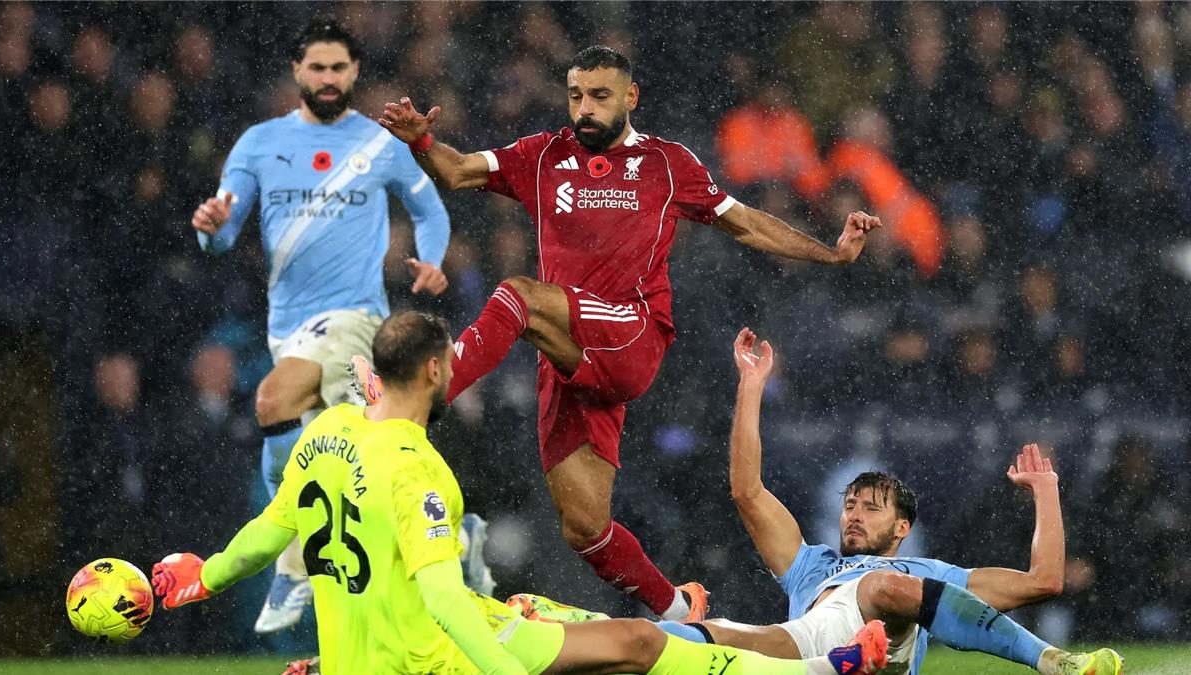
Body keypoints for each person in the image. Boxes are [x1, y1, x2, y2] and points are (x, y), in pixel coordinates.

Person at [375, 44, 881, 622]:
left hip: (631, 334)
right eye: (575, 96)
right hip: (568, 355)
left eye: (599, 96)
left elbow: (745, 223)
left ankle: (420, 396)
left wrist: (830, 254)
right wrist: (420, 140)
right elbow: (457, 169)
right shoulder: (542, 156)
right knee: (585, 528)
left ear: (630, 97)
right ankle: (679, 609)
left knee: (517, 295)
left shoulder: (666, 163)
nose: (584, 109)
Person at [151, 311, 889, 675]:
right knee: (634, 644)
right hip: (435, 661)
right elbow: (444, 601)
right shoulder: (417, 469)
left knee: (554, 616)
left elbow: (265, 533)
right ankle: (822, 670)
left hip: (367, 658)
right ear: (435, 371)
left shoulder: (326, 432)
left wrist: (201, 576)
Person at [655, 329, 1123, 675]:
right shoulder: (809, 566)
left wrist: (1046, 491)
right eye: (850, 505)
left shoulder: (932, 576)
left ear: (903, 528)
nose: (854, 515)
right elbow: (747, 491)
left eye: (871, 507)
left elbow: (1044, 581)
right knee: (658, 639)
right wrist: (751, 386)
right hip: (808, 656)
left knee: (884, 587)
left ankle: (1054, 662)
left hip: (886, 652)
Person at [189, 18, 451, 633]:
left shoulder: (380, 144)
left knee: (273, 400)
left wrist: (433, 260)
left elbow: (430, 210)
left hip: (356, 319)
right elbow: (223, 233)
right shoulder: (259, 143)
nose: (328, 78)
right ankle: (444, 552)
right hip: (288, 327)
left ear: (354, 72)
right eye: (318, 67)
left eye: (339, 68)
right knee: (358, 460)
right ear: (297, 72)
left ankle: (295, 560)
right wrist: (210, 229)